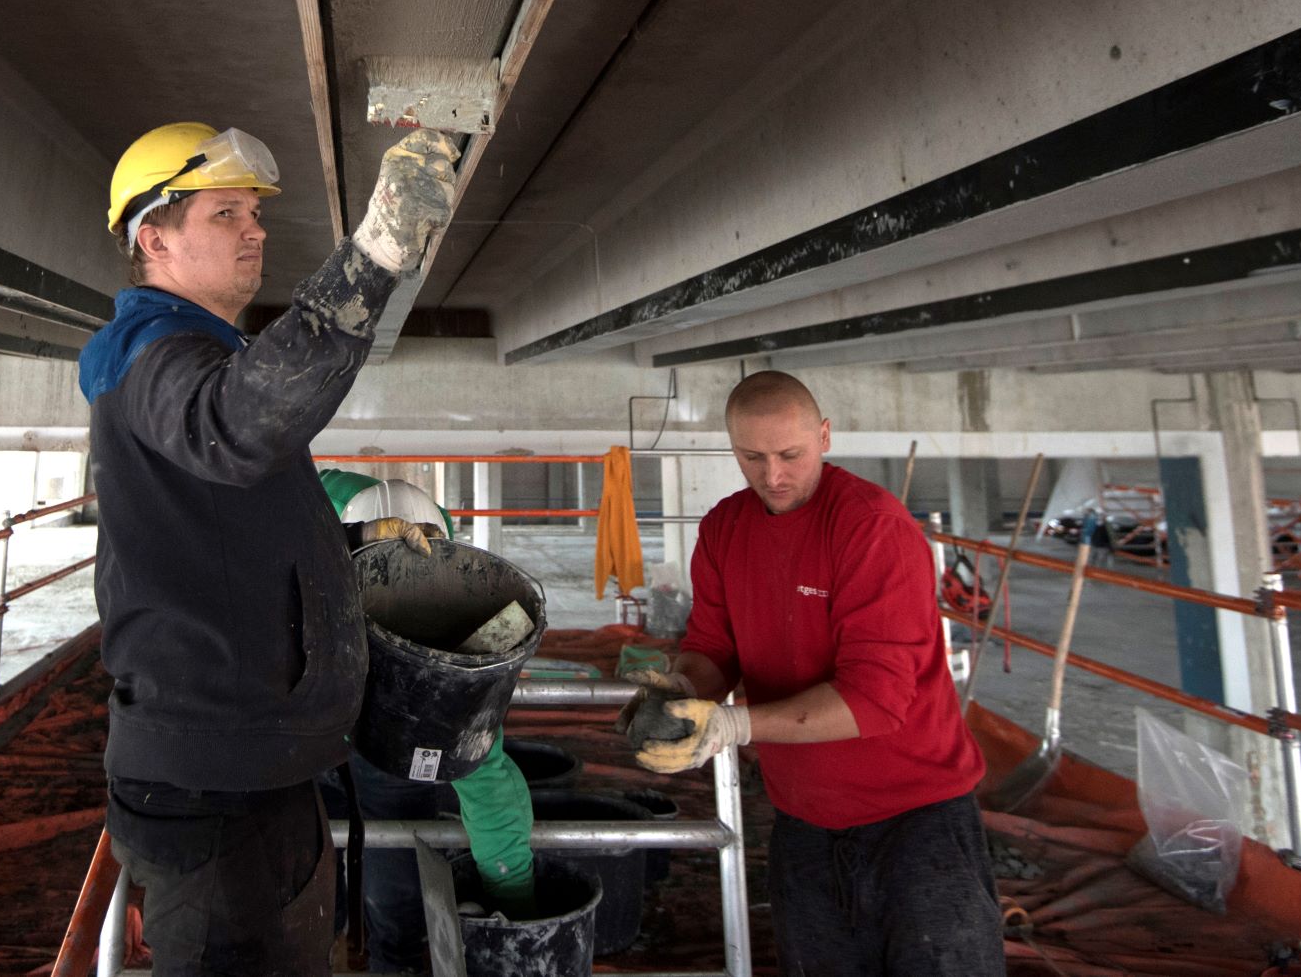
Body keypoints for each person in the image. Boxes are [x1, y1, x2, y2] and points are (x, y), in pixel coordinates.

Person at [81, 121, 459, 976]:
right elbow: (238, 427)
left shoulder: (201, 353)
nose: (254, 230)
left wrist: (354, 558)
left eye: (253, 213)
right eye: (224, 214)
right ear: (154, 236)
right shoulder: (146, 348)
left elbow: (239, 525)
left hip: (253, 763)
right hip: (216, 778)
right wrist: (376, 251)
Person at [619, 370, 1003, 976]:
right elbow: (713, 648)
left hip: (918, 822)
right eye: (752, 457)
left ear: (824, 436)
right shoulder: (724, 529)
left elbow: (876, 700)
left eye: (790, 454)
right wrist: (680, 692)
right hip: (804, 818)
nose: (772, 476)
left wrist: (733, 726)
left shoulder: (870, 527)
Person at [314, 470, 536, 970]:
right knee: (303, 899)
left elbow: (485, 777)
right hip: (300, 747)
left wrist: (513, 890)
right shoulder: (301, 521)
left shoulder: (439, 632)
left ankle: (394, 951)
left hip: (390, 756)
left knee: (395, 903)